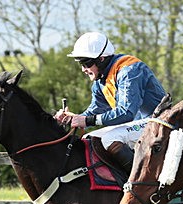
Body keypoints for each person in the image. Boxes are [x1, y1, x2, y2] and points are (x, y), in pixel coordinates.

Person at [54, 32, 167, 174]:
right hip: (138, 125)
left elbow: (126, 113)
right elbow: (96, 111)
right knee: (89, 138)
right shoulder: (100, 80)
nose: (83, 69)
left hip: (158, 122)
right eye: (80, 64)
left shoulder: (129, 71)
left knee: (110, 138)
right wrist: (73, 119)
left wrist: (87, 120)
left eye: (86, 63)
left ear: (101, 59)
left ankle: (142, 178)